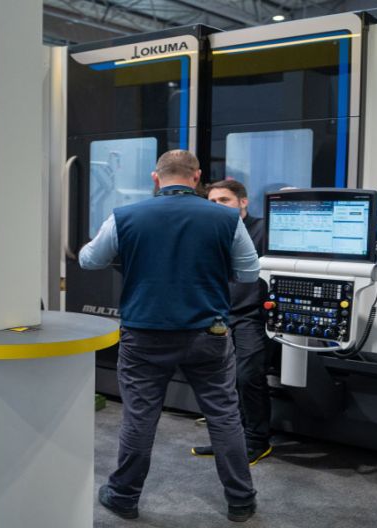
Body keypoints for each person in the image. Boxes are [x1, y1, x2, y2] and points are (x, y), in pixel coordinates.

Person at [79, 150, 260, 522]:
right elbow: (248, 273)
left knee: (140, 417)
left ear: (155, 177)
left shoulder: (125, 216)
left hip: (145, 335)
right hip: (209, 332)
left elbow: (89, 260)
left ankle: (123, 496)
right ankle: (241, 500)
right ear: (196, 177)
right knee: (224, 415)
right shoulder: (227, 218)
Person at [192, 180, 273, 465]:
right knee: (220, 381)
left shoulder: (263, 230)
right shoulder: (211, 232)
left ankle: (256, 441)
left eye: (224, 200)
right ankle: (228, 441)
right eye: (212, 202)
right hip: (218, 315)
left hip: (251, 316)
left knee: (247, 377)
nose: (217, 206)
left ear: (243, 201)